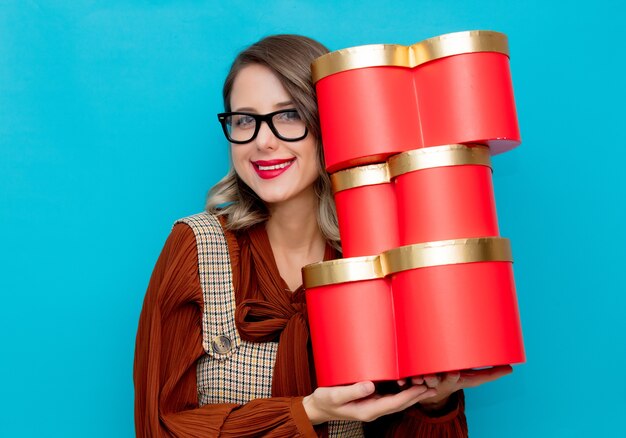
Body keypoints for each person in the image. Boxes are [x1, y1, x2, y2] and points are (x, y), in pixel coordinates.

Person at [133, 34, 512, 437]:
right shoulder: (196, 247)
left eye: (290, 114)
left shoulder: (380, 261)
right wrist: (309, 410)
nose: (263, 141)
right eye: (244, 119)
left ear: (329, 122)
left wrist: (433, 401)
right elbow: (161, 425)